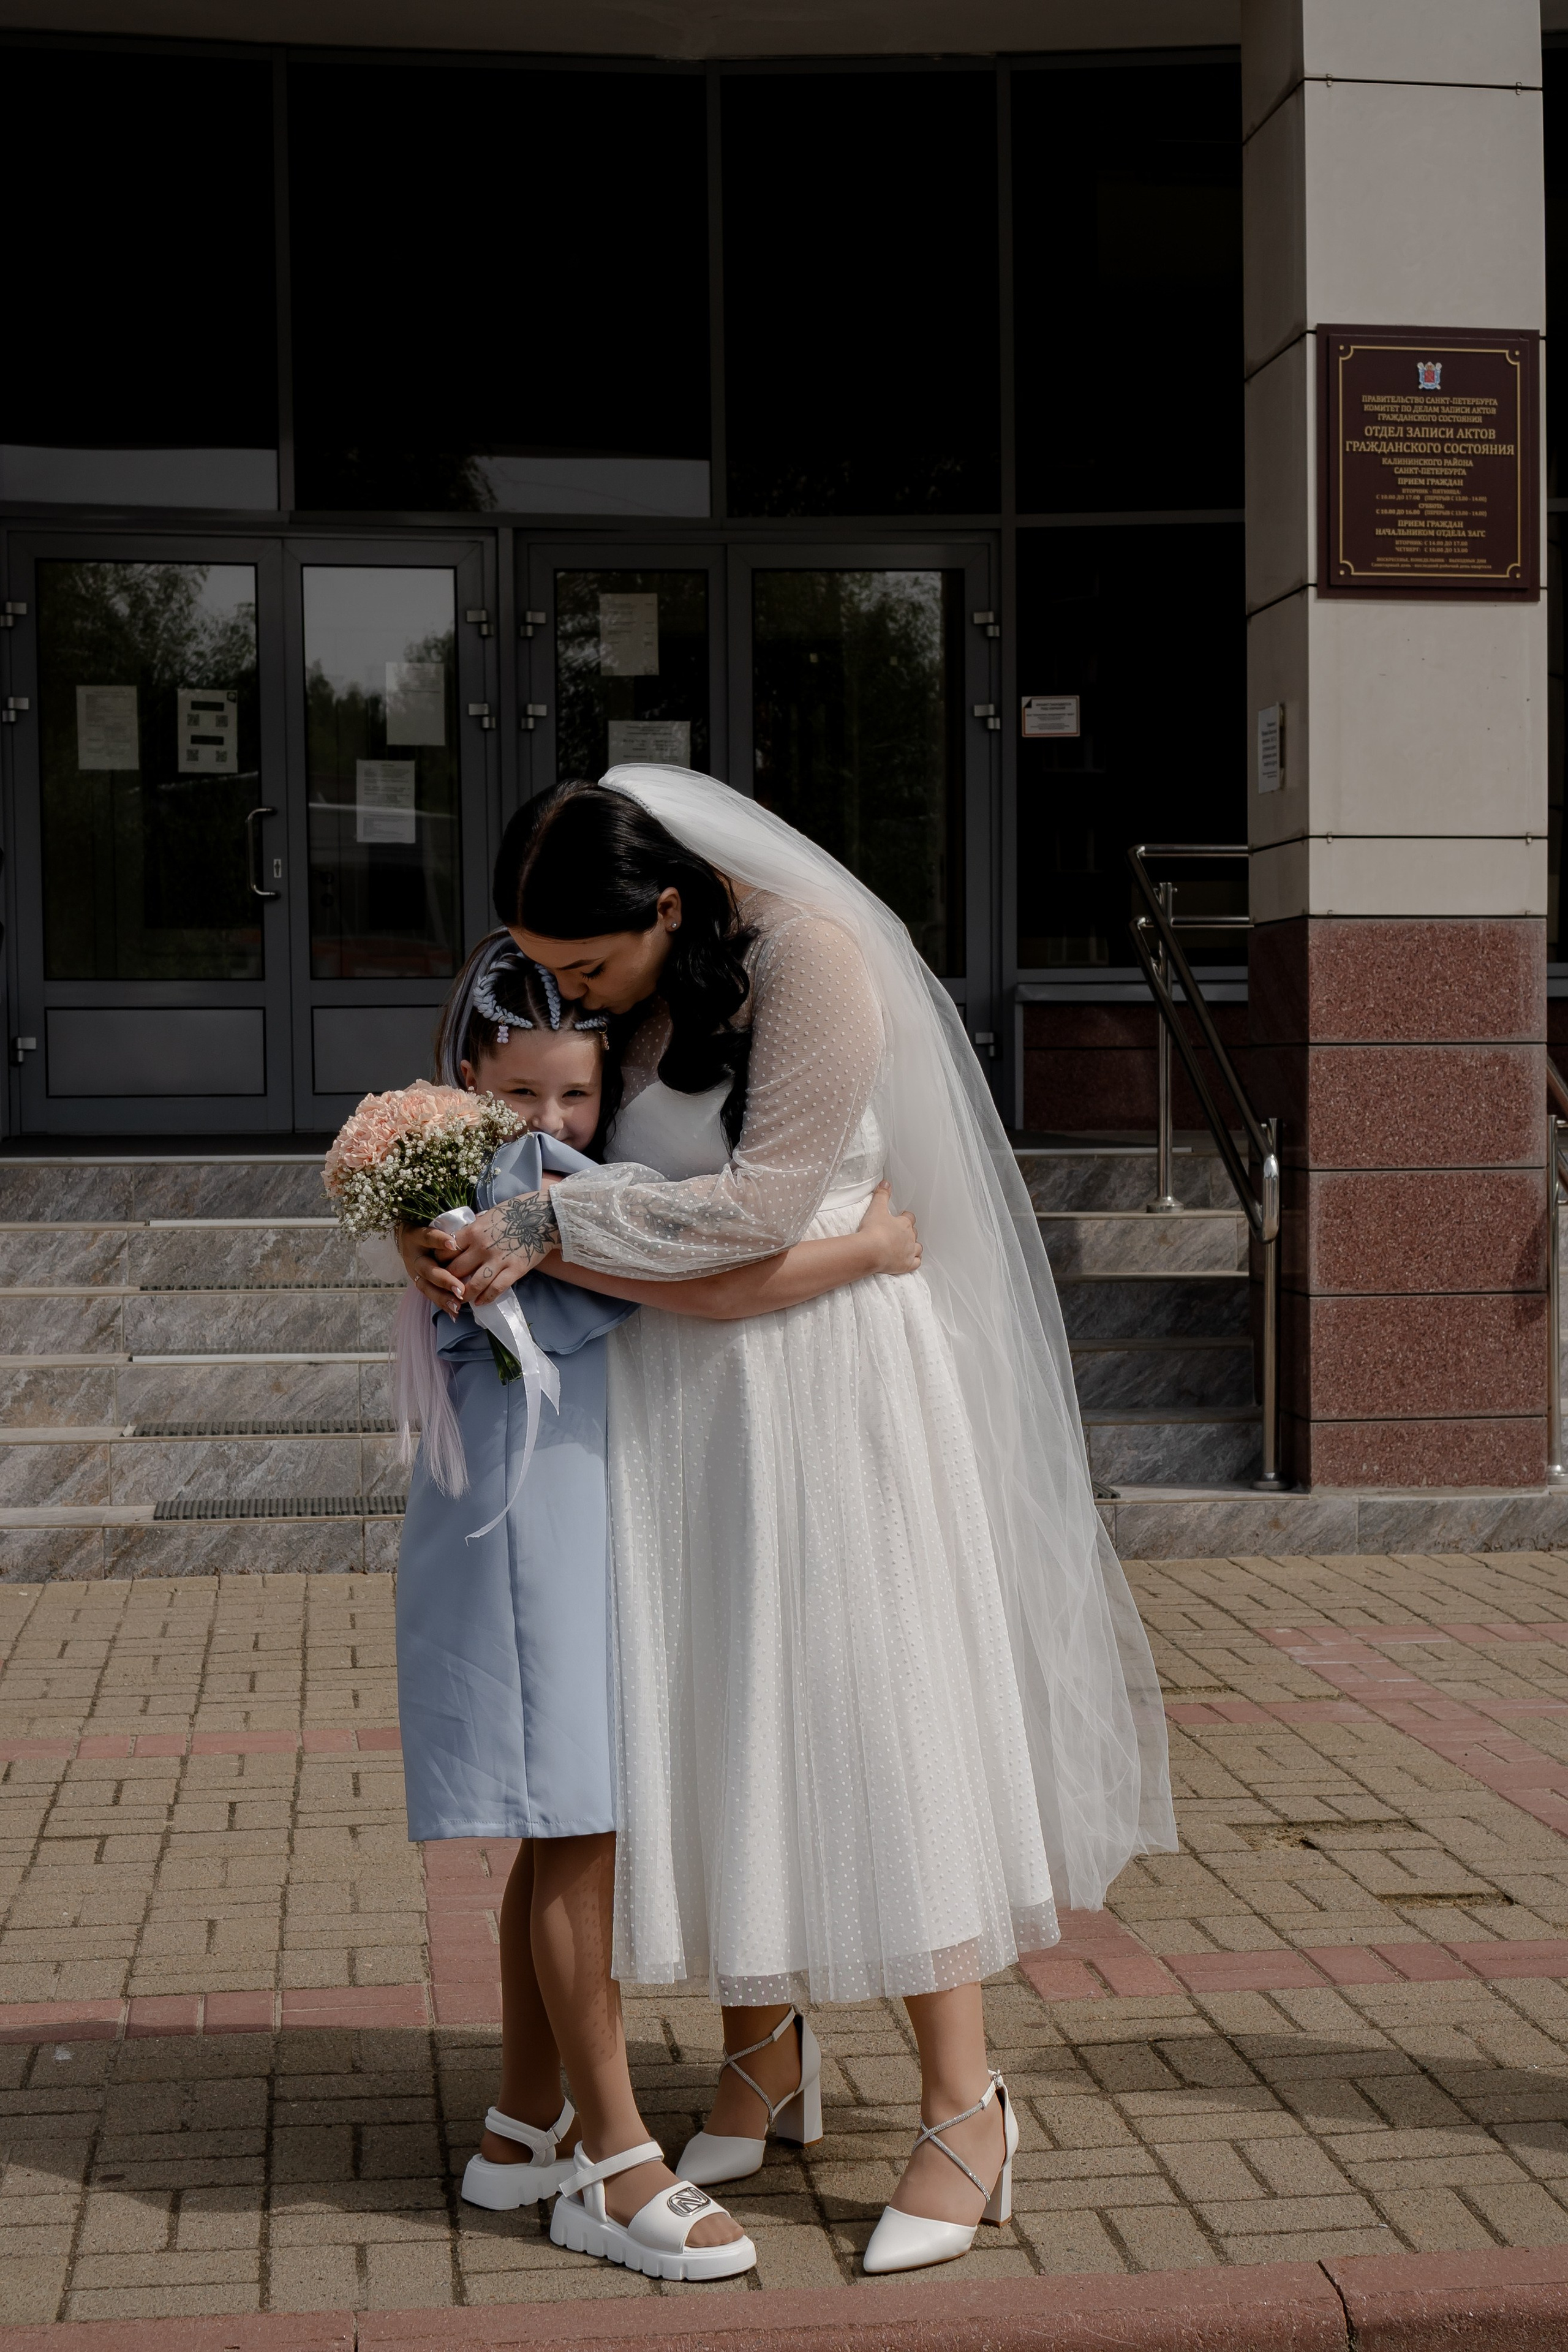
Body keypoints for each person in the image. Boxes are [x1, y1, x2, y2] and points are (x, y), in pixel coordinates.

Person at [408, 768, 1175, 2276]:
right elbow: (624, 1197)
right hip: (685, 1410)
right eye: (552, 970)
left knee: (863, 1721)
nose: (565, 996)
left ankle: (966, 2110)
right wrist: (492, 1224)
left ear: (668, 907)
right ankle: (763, 2057)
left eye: (584, 967)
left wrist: (548, 1230)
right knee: (714, 1728)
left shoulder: (810, 961)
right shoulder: (631, 990)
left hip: (826, 1402)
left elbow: (755, 1215)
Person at [397, 933, 922, 2282]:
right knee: (579, 1830)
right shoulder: (524, 1188)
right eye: (523, 1096)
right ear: (468, 1078)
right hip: (535, 1525)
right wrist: (869, 1249)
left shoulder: (481, 1175)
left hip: (542, 1516)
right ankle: (615, 2165)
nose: (555, 1125)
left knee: (555, 1832)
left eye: (576, 1098)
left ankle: (521, 2132)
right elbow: (726, 1282)